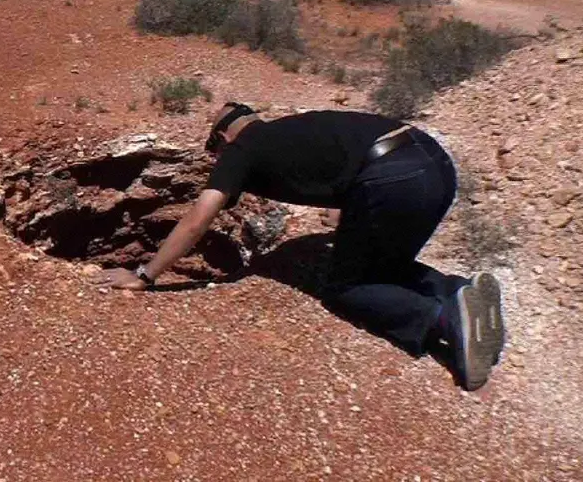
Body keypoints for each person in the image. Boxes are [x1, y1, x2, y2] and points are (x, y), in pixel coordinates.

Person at [95, 102, 506, 391]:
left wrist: (144, 275)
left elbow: (198, 218)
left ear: (223, 136)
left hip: (390, 179)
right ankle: (457, 290)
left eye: (212, 148)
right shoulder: (289, 131)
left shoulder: (242, 150)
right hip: (432, 161)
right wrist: (349, 210)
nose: (214, 156)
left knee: (347, 287)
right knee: (379, 260)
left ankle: (444, 320)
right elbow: (339, 159)